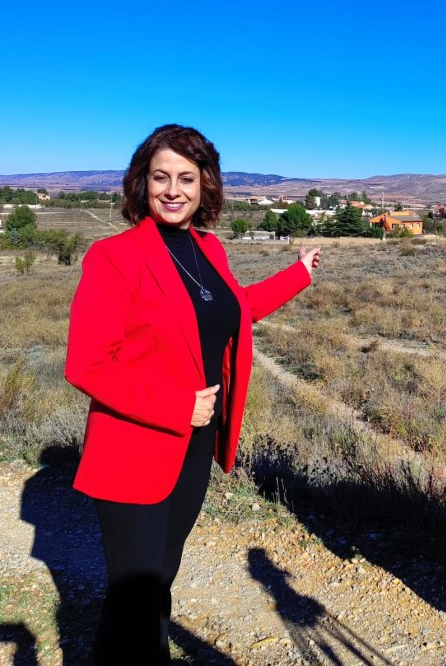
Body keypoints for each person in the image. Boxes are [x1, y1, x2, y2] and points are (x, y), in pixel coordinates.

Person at [64, 123, 321, 665]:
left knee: (160, 578)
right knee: (135, 593)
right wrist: (177, 405)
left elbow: (233, 308)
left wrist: (297, 275)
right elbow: (87, 364)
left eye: (187, 177)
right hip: (136, 443)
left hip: (194, 444)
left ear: (206, 185)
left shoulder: (208, 248)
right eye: (161, 177)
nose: (173, 190)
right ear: (142, 183)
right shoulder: (114, 256)